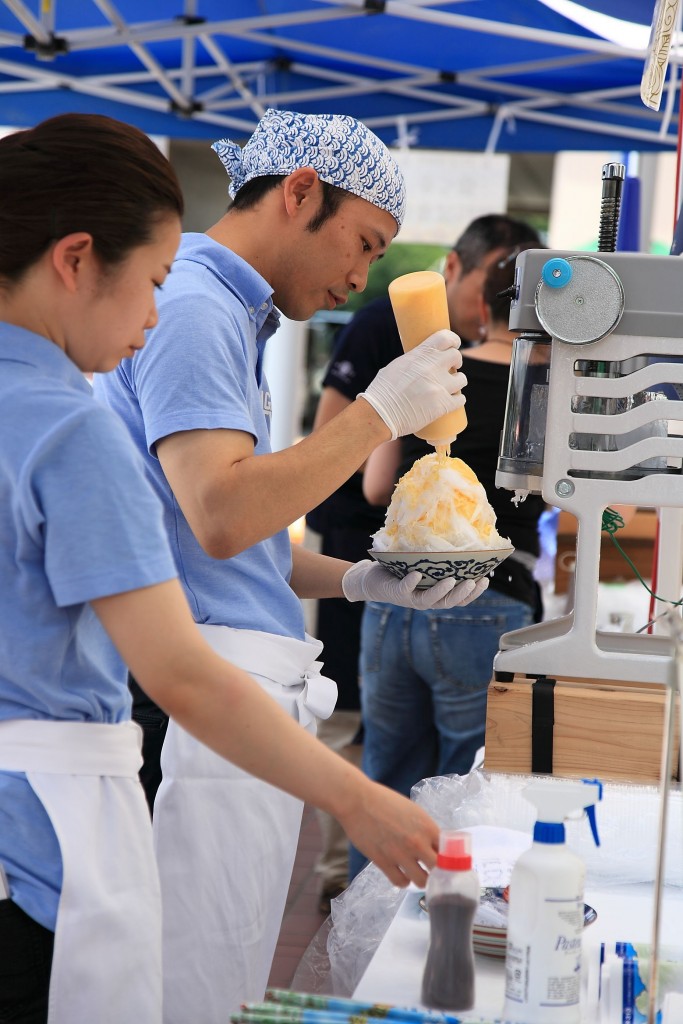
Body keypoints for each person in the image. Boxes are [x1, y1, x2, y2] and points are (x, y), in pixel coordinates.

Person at [0, 110, 461, 1024]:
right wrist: (354, 797)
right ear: (76, 259)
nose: (151, 321)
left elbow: (207, 542)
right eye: (151, 283)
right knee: (189, 989)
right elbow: (210, 548)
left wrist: (354, 579)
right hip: (77, 792)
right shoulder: (105, 394)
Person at [307, 214, 543, 904]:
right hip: (487, 599)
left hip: (393, 593)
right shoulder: (545, 390)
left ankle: (361, 933)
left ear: (480, 302)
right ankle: (441, 928)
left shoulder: (431, 374)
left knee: (380, 781)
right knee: (466, 788)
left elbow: (375, 485)